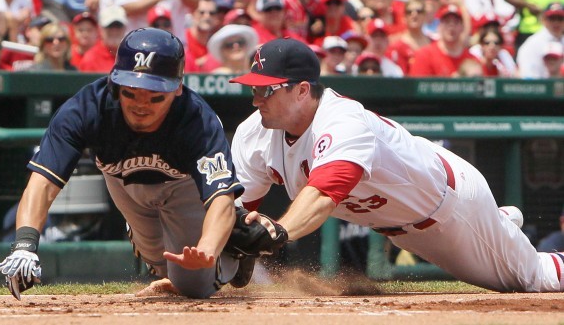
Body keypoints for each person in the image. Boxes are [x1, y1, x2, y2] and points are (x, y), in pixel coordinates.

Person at [227, 37, 564, 293]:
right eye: (254, 89)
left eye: (267, 90)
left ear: (302, 91)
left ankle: (496, 225)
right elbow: (237, 211)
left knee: (534, 278)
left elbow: (323, 194)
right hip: (403, 225)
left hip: (453, 210)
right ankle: (500, 224)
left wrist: (277, 232)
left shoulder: (343, 120)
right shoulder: (253, 134)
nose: (256, 99)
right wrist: (212, 266)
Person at [0, 28, 248, 300]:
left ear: (178, 87)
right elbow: (43, 183)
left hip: (184, 186)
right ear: (114, 83)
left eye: (155, 95)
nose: (141, 104)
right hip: (124, 184)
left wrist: (209, 247)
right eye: (131, 92)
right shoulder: (87, 108)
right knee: (161, 265)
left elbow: (220, 196)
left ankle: (236, 248)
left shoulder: (197, 119)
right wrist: (24, 244)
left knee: (193, 284)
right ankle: (148, 238)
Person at [516, 2, 564, 79]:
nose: (556, 22)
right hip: (539, 88)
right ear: (543, 19)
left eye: (560, 18)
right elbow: (528, 76)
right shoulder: (532, 43)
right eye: (552, 18)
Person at [77, 5, 128, 73]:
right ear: (100, 29)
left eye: (118, 26)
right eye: (109, 27)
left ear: (125, 28)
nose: (114, 31)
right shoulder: (91, 59)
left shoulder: (132, 56)